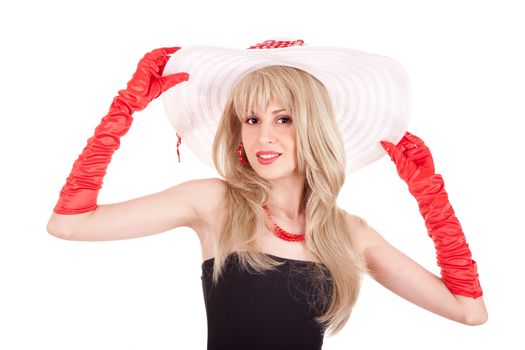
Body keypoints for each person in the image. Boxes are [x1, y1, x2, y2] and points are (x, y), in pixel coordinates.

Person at [47, 40, 487, 350]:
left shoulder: (348, 233)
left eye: (284, 119)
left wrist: (431, 197)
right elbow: (69, 224)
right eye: (251, 119)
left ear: (312, 127)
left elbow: (468, 311)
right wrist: (123, 112)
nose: (264, 137)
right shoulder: (214, 203)